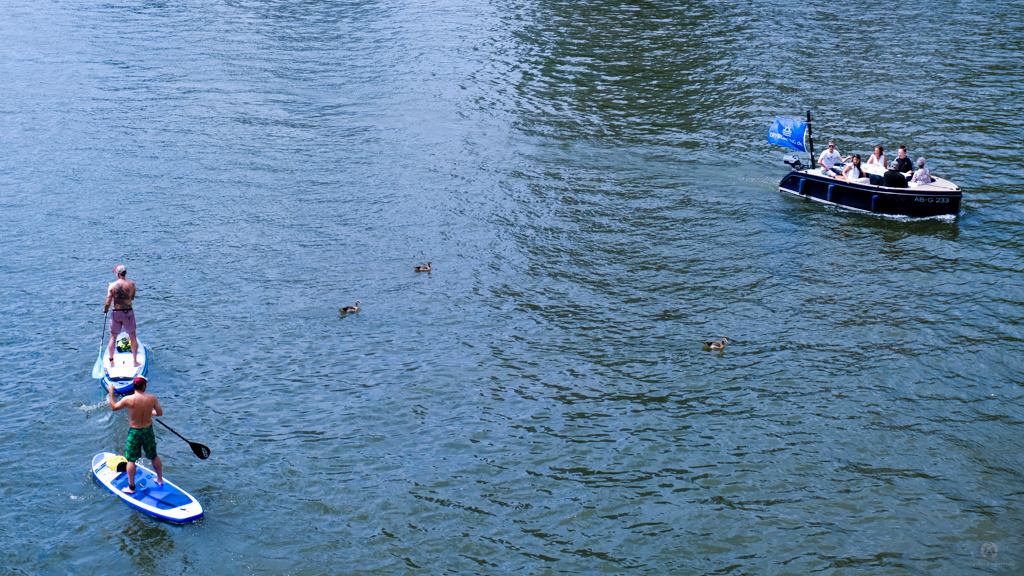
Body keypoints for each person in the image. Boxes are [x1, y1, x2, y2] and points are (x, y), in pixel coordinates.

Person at [108, 377, 163, 494]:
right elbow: (159, 413)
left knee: (131, 460)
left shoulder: (128, 399)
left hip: (135, 432)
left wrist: (111, 392)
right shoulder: (152, 398)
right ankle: (159, 480)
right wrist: (149, 411)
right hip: (148, 431)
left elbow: (113, 407)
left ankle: (131, 488)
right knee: (154, 456)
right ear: (143, 386)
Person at [104, 264, 139, 367]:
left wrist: (105, 309)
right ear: (125, 273)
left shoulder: (112, 286)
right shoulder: (132, 284)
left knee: (113, 336)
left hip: (116, 313)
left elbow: (108, 301)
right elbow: (132, 297)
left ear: (117, 274)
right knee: (132, 336)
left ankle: (111, 361)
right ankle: (135, 361)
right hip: (128, 312)